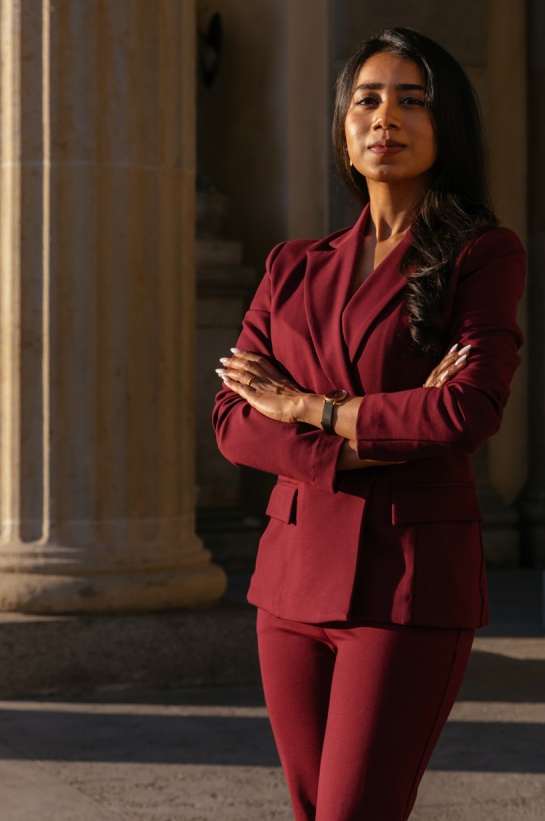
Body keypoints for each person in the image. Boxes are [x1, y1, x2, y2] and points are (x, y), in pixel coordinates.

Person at [211, 27, 526, 820]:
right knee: (312, 809)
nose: (386, 116)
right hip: (288, 582)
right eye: (368, 99)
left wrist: (307, 408)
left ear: (445, 124)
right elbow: (230, 419)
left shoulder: (482, 254)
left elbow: (465, 408)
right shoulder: (292, 264)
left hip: (407, 583)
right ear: (345, 131)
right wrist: (362, 441)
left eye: (413, 100)